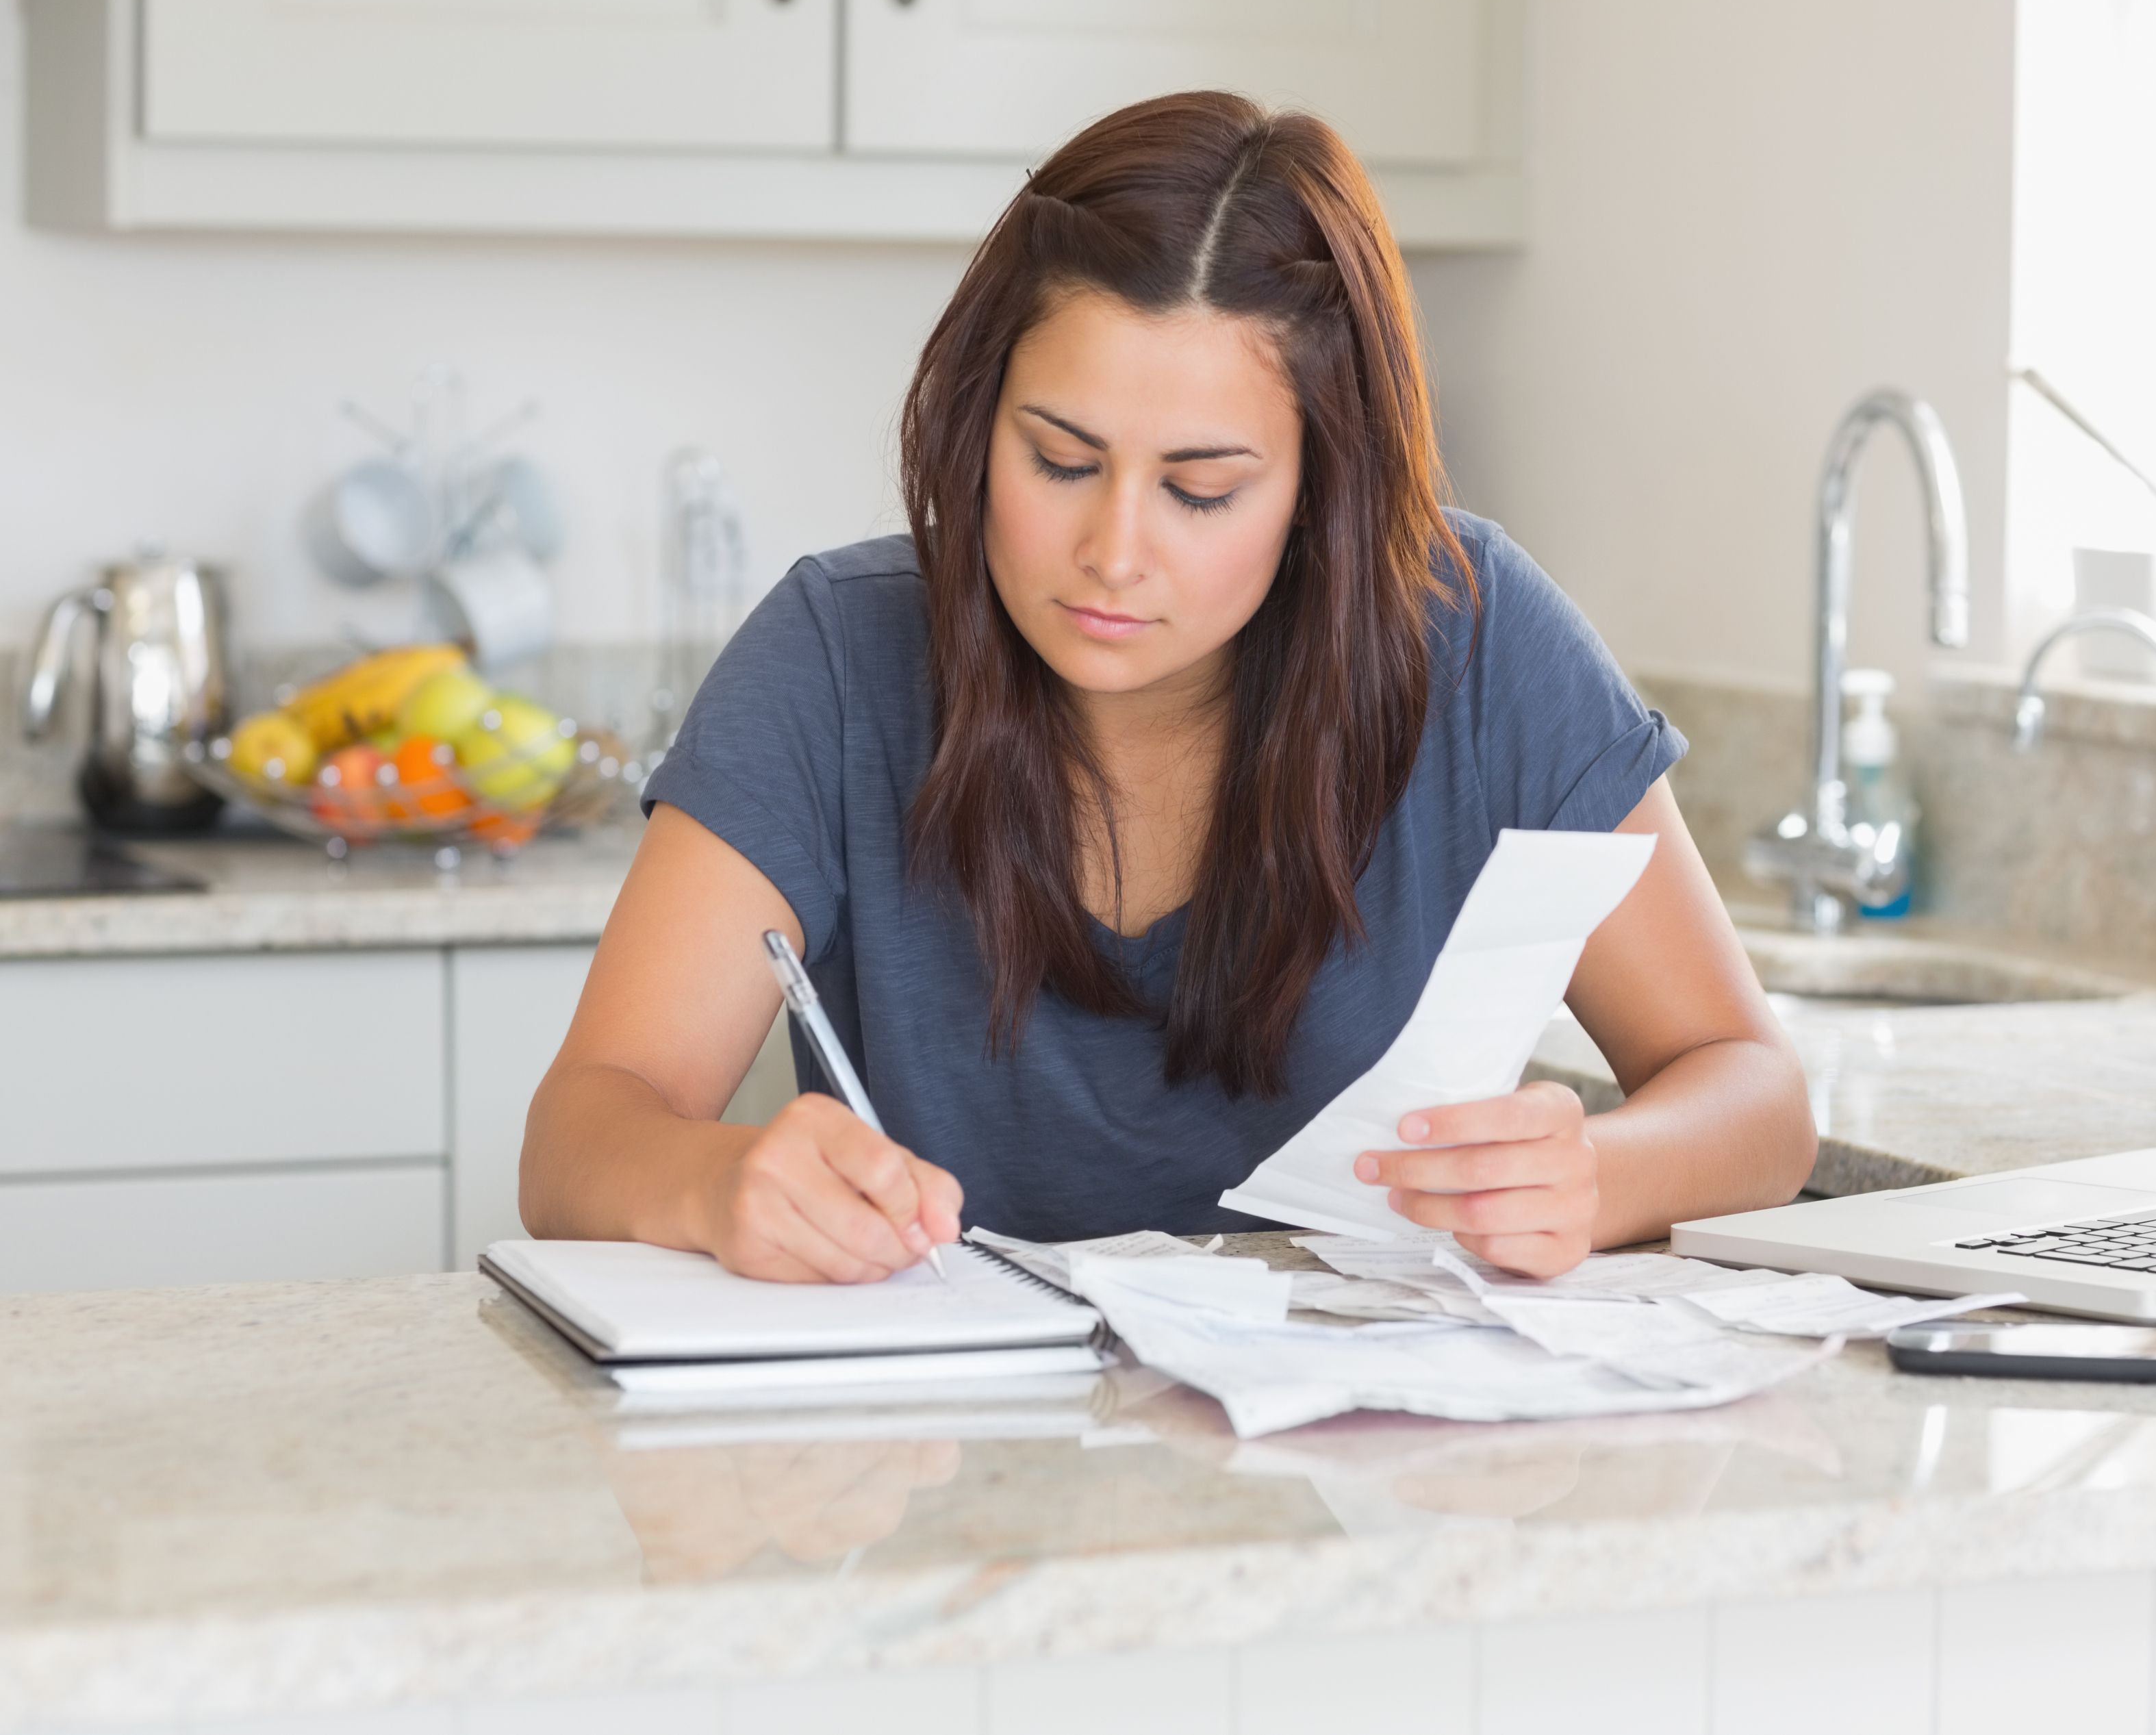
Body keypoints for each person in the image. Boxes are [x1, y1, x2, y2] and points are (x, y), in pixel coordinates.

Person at [522, 90, 1815, 1284]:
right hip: (949, 1478)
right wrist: (713, 1179)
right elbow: (583, 1129)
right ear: (979, 425)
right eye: (1061, 459)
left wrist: (1594, 1172)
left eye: (1202, 489)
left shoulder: (1471, 638)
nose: (1115, 552)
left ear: (1322, 486)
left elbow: (1753, 1092)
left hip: (1365, 1478)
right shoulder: (834, 658)